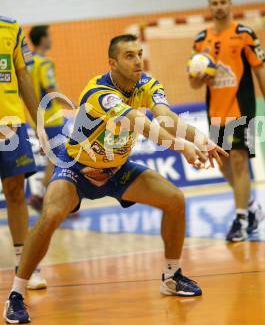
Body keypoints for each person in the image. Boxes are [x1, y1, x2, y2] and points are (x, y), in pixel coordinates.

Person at [4, 34, 227, 324]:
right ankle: (16, 294)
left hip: (117, 169)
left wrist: (203, 140)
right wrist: (182, 146)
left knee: (175, 200)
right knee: (51, 216)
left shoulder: (146, 83)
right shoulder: (100, 92)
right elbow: (142, 125)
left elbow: (165, 116)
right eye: (129, 56)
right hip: (78, 168)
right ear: (113, 62)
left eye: (138, 53)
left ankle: (171, 276)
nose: (137, 61)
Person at [189, 0, 265, 242]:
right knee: (223, 164)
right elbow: (193, 84)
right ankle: (252, 206)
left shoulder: (245, 34)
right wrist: (200, 75)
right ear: (209, 6)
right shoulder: (201, 40)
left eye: (223, 2)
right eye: (215, 3)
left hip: (241, 108)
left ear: (231, 4)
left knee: (240, 161)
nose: (219, 7)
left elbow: (259, 69)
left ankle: (241, 220)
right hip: (215, 113)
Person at [0, 16, 47, 290]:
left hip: (10, 123)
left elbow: (23, 76)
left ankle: (26, 268)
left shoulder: (12, 27)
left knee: (16, 190)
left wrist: (38, 121)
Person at [27, 25, 74, 212]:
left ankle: (42, 197)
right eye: (49, 35)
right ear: (43, 39)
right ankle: (44, 198)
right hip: (51, 118)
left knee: (55, 159)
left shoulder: (27, 62)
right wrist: (73, 105)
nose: (51, 39)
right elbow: (51, 90)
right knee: (59, 158)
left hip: (35, 117)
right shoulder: (45, 63)